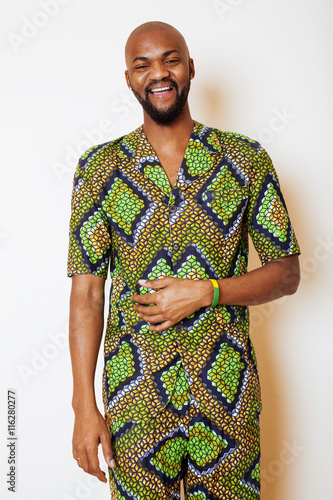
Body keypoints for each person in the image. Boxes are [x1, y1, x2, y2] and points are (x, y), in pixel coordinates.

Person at [67, 21, 300, 500]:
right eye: (143, 64)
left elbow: (287, 272)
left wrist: (210, 291)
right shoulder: (99, 168)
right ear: (129, 78)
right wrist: (84, 407)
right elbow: (88, 293)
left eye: (171, 59)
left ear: (190, 67)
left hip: (226, 392)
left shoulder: (245, 159)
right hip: (137, 398)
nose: (159, 73)